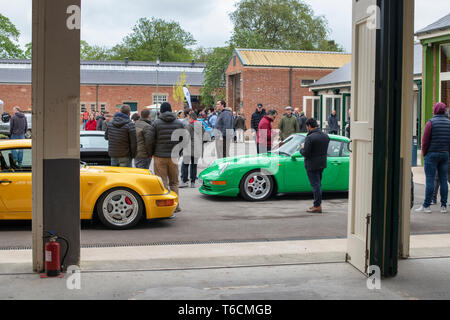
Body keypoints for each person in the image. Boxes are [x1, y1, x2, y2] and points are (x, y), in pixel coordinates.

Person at [147, 102, 185, 213]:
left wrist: (151, 153)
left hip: (159, 156)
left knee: (162, 182)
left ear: (161, 111)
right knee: (174, 182)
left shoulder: (156, 123)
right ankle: (176, 206)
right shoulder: (179, 123)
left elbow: (150, 140)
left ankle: (165, 207)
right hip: (174, 157)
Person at [415, 102, 450, 214]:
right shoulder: (449, 123)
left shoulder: (430, 123)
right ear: (444, 110)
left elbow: (424, 141)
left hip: (432, 154)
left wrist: (424, 154)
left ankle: (426, 206)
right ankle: (444, 206)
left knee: (430, 180)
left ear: (435, 110)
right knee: (443, 180)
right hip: (445, 154)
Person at [300, 118, 330, 214]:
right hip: (322, 163)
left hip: (312, 164)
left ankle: (317, 206)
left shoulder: (310, 137)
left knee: (315, 185)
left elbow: (306, 153)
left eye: (307, 127)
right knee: (318, 184)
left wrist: (301, 149)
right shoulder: (325, 136)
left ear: (309, 126)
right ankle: (317, 204)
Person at [180, 112, 205, 188]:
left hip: (188, 148)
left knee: (185, 164)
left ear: (191, 118)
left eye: (188, 118)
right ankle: (193, 182)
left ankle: (185, 181)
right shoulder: (201, 126)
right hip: (197, 147)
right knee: (194, 165)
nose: (188, 119)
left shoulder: (189, 126)